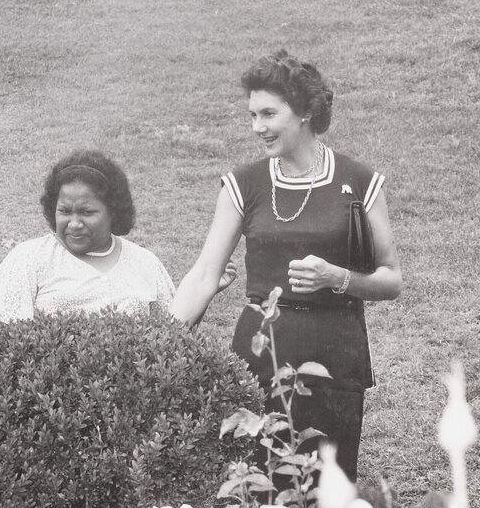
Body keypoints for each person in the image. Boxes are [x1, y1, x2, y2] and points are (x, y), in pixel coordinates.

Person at [170, 50, 402, 480]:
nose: (257, 127)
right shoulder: (243, 185)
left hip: (336, 356)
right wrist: (159, 343)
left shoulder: (360, 181)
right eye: (252, 115)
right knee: (258, 489)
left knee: (328, 491)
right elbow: (204, 274)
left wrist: (338, 278)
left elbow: (391, 280)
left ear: (306, 112)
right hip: (259, 352)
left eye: (269, 114)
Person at [0, 150, 232, 325]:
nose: (74, 223)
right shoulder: (28, 258)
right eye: (64, 211)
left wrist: (205, 292)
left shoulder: (146, 264)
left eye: (87, 212)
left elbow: (173, 341)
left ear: (113, 212)